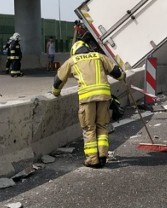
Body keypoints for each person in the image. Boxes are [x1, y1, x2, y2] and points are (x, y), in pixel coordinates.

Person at [51, 40, 126, 169]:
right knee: (102, 126)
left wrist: (56, 93)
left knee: (89, 128)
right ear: (86, 48)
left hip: (87, 98)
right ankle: (102, 156)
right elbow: (118, 74)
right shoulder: (99, 56)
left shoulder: (72, 60)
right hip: (103, 96)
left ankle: (92, 160)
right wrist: (123, 76)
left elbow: (59, 80)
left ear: (74, 51)